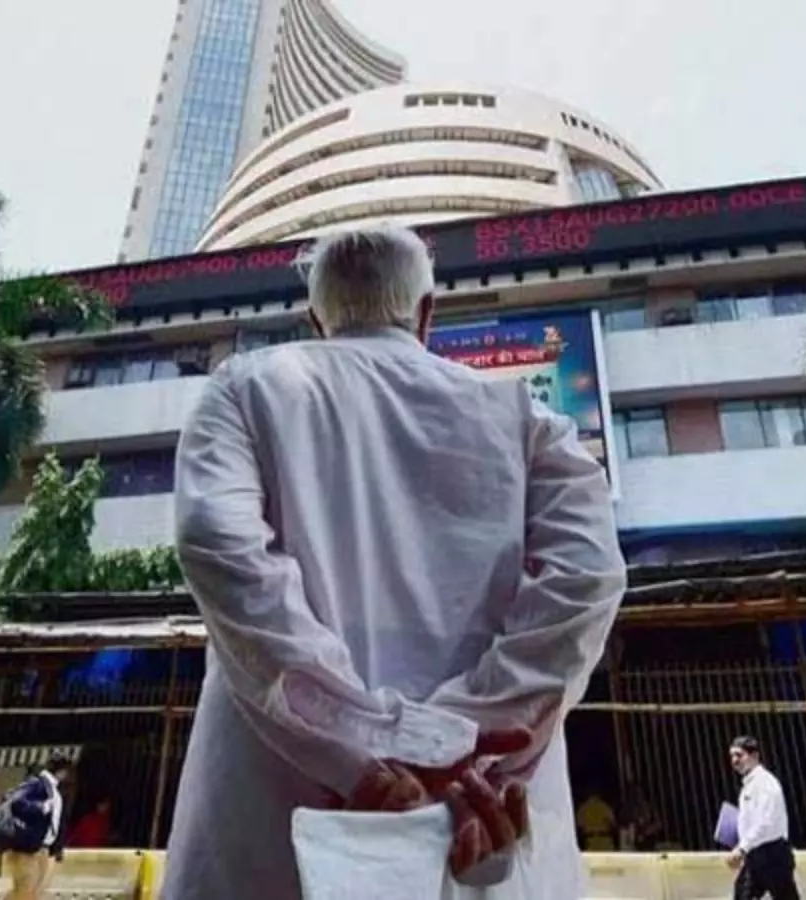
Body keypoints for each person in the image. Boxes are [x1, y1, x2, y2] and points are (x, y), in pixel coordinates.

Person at [163, 224, 627, 899]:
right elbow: (586, 581)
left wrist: (366, 747)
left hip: (269, 825)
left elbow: (220, 549)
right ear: (426, 313)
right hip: (480, 817)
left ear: (316, 319)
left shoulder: (243, 389)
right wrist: (452, 744)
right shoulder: (526, 418)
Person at [726, 736, 799, 900]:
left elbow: (767, 822)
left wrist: (741, 848)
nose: (735, 760)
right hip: (755, 855)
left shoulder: (766, 783)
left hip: (773, 854)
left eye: (739, 755)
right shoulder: (749, 785)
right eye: (732, 756)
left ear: (754, 756)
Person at [4, 753, 72, 900]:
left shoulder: (53, 790)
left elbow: (56, 822)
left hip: (42, 848)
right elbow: (16, 802)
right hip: (28, 848)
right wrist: (42, 807)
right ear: (62, 772)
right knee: (24, 892)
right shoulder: (37, 784)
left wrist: (56, 848)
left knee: (30, 893)